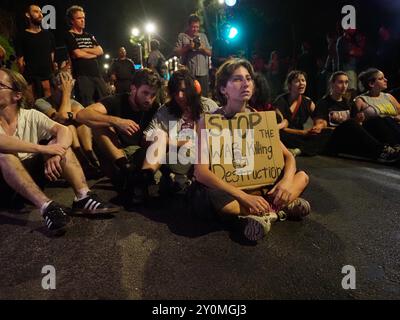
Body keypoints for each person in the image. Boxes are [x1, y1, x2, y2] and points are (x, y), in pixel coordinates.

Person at [190, 58, 310, 242]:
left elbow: (288, 157)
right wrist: (244, 197)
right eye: (237, 79)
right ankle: (280, 208)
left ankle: (266, 215)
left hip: (260, 186)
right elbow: (201, 172)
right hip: (231, 191)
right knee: (218, 200)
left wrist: (286, 182)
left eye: (248, 78)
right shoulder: (209, 122)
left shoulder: (259, 118)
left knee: (302, 177)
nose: (246, 83)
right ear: (223, 89)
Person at [0, 68, 119, 235]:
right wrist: (44, 148)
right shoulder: (43, 102)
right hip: (4, 186)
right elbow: (3, 142)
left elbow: (63, 129)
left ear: (17, 95)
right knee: (5, 153)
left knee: (59, 141)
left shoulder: (30, 115)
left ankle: (83, 197)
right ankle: (47, 207)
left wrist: (57, 152)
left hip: (30, 177)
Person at [76, 68, 162, 206]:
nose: (149, 99)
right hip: (116, 156)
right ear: (133, 89)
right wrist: (117, 121)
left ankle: (139, 179)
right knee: (98, 124)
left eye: (153, 95)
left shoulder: (155, 107)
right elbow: (81, 115)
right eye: (145, 93)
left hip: (140, 155)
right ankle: (126, 170)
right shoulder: (116, 100)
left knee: (160, 135)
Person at [140, 69, 219, 199]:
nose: (180, 96)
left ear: (192, 89)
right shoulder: (165, 110)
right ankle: (145, 180)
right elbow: (147, 136)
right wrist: (170, 141)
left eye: (184, 91)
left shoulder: (209, 106)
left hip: (205, 158)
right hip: (175, 157)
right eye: (176, 92)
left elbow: (221, 135)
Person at [312, 71, 400, 163]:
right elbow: (320, 126)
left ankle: (394, 147)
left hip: (347, 139)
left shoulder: (349, 103)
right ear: (332, 83)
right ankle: (382, 152)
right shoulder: (323, 103)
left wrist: (359, 121)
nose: (344, 86)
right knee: (350, 123)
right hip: (331, 138)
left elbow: (357, 125)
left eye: (346, 82)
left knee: (375, 120)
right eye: (340, 82)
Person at [34, 70, 100, 172]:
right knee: (68, 127)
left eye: (69, 90)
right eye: (61, 91)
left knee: (82, 124)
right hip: (49, 141)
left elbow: (84, 117)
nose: (65, 94)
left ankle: (89, 154)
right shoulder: (41, 102)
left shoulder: (73, 103)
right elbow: (62, 118)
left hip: (71, 141)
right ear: (51, 89)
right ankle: (83, 161)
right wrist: (66, 93)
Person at [64, 5, 107, 107]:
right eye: (79, 18)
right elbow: (77, 54)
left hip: (97, 74)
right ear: (72, 21)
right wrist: (93, 53)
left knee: (104, 101)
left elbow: (100, 51)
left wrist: (84, 50)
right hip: (82, 76)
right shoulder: (69, 35)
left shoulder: (89, 35)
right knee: (87, 105)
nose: (83, 20)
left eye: (83, 18)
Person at [15, 4, 56, 100]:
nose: (40, 14)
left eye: (41, 12)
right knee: (31, 104)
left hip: (48, 79)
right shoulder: (21, 36)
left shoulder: (49, 35)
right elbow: (20, 61)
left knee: (50, 107)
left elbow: (52, 57)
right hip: (30, 80)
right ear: (28, 15)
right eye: (36, 12)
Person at [354, 68, 400, 145]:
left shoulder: (389, 96)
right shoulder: (360, 100)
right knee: (383, 119)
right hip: (377, 134)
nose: (386, 80)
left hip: (395, 128)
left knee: (388, 120)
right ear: (371, 83)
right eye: (381, 78)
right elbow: (355, 123)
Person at [174, 14, 212, 97]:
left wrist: (203, 48)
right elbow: (176, 53)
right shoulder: (182, 36)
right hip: (189, 74)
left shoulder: (203, 36)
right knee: (190, 97)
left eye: (197, 27)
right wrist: (188, 47)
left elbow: (210, 53)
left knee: (204, 97)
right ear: (188, 26)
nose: (195, 29)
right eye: (193, 27)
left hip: (203, 73)